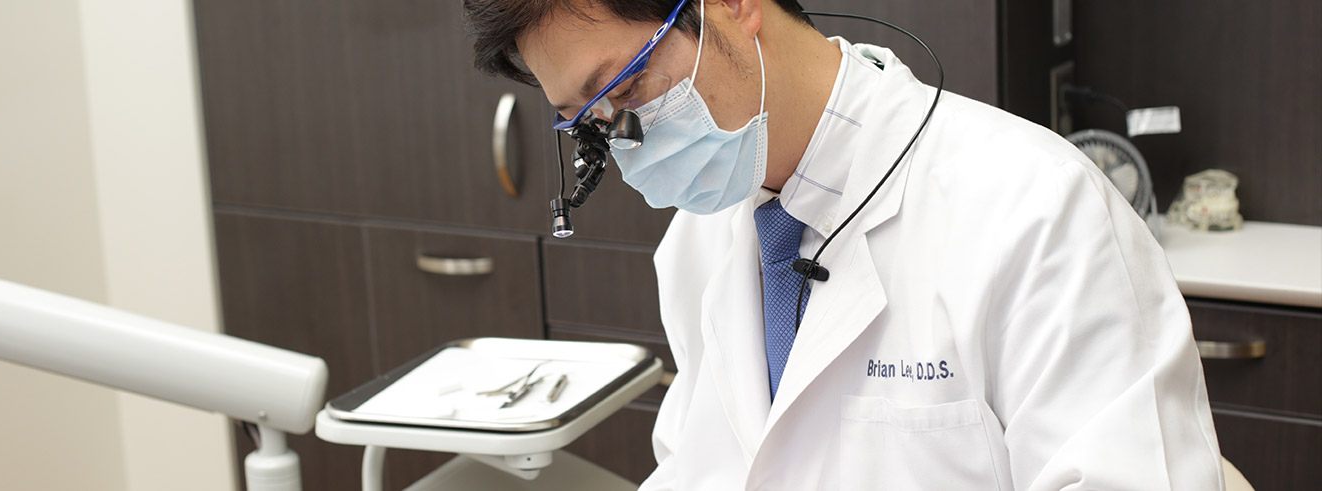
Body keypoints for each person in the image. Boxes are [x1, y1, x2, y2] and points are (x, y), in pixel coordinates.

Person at [464, 0, 1223, 488]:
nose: (624, 144)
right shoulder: (698, 242)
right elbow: (702, 468)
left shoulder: (1037, 208)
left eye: (625, 90)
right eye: (589, 124)